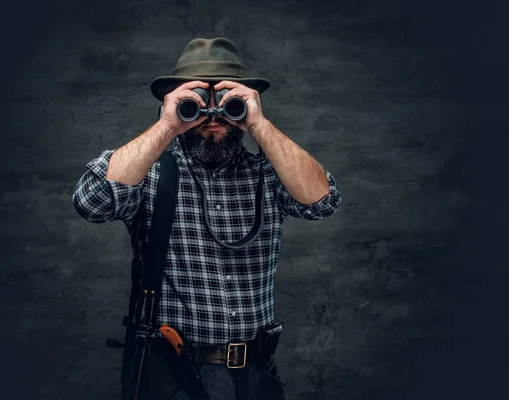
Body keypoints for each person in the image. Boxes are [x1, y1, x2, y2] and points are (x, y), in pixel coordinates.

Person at [73, 37, 341, 400]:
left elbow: (322, 203)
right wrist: (168, 126)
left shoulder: (269, 172)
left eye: (226, 102)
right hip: (174, 376)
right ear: (173, 101)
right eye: (197, 101)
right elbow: (92, 203)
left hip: (256, 375)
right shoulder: (149, 173)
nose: (212, 115)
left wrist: (259, 124)